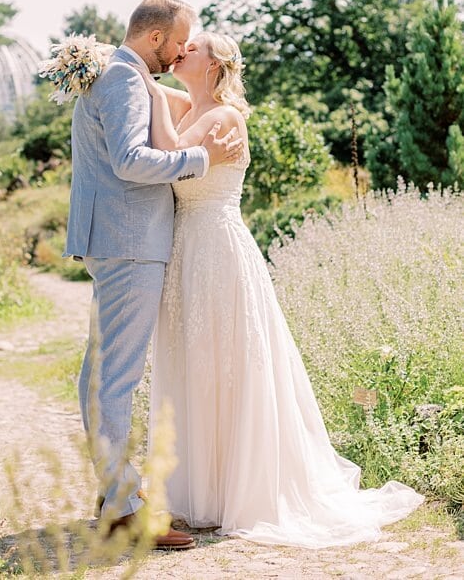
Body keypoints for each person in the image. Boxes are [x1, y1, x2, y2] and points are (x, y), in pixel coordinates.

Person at [141, 31, 423, 547]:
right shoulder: (188, 105)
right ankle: (200, 489)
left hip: (217, 250)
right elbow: (155, 91)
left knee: (225, 364)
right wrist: (123, 68)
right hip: (186, 250)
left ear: (215, 64)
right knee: (192, 363)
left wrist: (153, 90)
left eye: (194, 47)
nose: (182, 51)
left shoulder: (223, 117)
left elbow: (171, 152)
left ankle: (238, 490)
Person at [64, 0, 245, 551]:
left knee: (103, 373)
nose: (181, 52)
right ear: (156, 38)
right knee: (114, 378)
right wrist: (202, 160)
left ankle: (115, 494)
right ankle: (123, 508)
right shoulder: (121, 78)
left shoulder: (124, 74)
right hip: (130, 242)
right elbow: (130, 161)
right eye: (179, 41)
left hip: (121, 240)